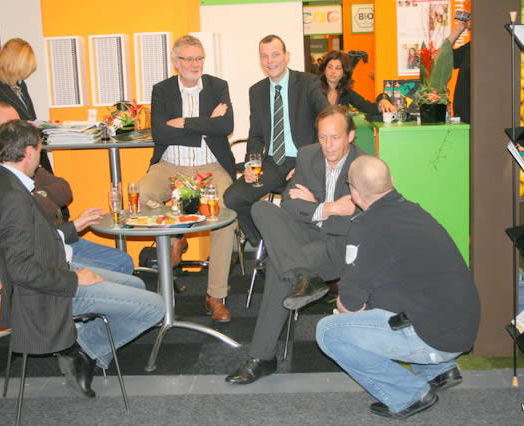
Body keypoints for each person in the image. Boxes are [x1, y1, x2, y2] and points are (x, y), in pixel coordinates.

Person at [0, 120, 165, 398]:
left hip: (53, 269)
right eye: (40, 150)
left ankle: (81, 343)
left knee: (136, 285)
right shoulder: (13, 198)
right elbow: (22, 269)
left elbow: (34, 239)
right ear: (29, 152)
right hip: (49, 292)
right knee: (156, 307)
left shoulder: (0, 182)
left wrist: (74, 226)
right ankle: (82, 350)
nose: (40, 157)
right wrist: (75, 278)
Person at [315, 155, 480, 419]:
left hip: (438, 340)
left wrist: (348, 306)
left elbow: (350, 304)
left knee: (328, 332)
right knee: (386, 294)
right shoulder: (413, 212)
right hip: (461, 326)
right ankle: (438, 371)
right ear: (391, 181)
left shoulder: (367, 227)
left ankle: (408, 394)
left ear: (354, 193)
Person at [225, 105, 364, 384]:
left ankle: (262, 357)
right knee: (262, 209)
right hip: (306, 234)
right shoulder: (308, 155)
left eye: (335, 137)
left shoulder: (363, 166)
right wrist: (328, 208)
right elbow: (289, 203)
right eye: (322, 137)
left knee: (279, 268)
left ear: (350, 136)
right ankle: (301, 275)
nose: (328, 145)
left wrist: (314, 206)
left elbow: (358, 219)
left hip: (338, 246)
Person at [0, 101, 135, 275]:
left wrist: (39, 194)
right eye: (5, 126)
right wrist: (38, 198)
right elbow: (28, 211)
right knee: (119, 267)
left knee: (123, 260)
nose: (13, 131)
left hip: (59, 238)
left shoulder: (19, 157)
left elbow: (64, 188)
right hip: (42, 254)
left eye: (17, 125)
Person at [136, 35, 235, 322]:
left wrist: (184, 123)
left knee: (225, 212)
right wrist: (206, 125)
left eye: (199, 58)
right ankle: (176, 235)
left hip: (211, 166)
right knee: (141, 194)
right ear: (176, 62)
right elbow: (160, 133)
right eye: (189, 59)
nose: (195, 64)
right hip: (170, 166)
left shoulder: (218, 86)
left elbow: (226, 125)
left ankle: (216, 295)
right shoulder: (162, 90)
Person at [223, 35, 329, 247]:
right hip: (271, 163)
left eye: (275, 54)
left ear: (287, 56)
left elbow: (328, 120)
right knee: (233, 198)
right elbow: (256, 134)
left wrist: (306, 163)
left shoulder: (308, 83)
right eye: (264, 56)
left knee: (292, 202)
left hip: (301, 161)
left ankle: (294, 250)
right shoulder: (257, 91)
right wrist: (251, 165)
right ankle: (267, 245)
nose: (270, 61)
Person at [0, 38, 54, 174]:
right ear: (14, 63)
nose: (27, 73)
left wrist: (43, 126)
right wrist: (25, 125)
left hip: (32, 151)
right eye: (25, 67)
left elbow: (29, 116)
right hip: (16, 156)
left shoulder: (20, 86)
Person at [319, 50, 396, 116]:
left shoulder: (346, 92)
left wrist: (383, 101)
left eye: (338, 68)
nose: (333, 71)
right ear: (324, 69)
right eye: (330, 67)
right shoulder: (315, 89)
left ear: (344, 72)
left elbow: (368, 107)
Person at [447, 17, 471, 123]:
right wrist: (457, 30)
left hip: (476, 117)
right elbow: (440, 58)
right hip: (462, 116)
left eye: (470, 17)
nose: (467, 19)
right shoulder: (470, 47)